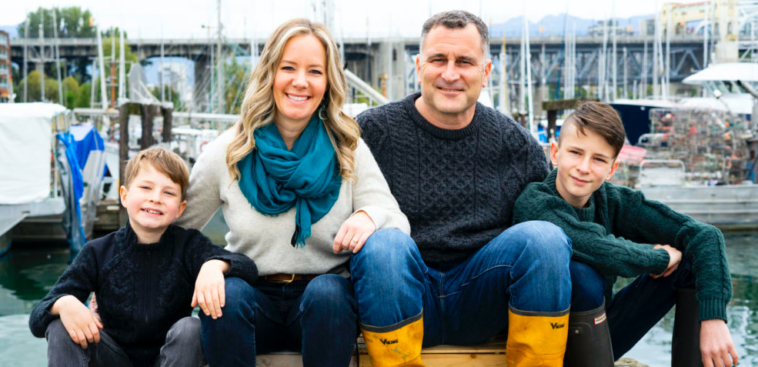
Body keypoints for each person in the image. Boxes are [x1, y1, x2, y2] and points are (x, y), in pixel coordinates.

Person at [174, 18, 410, 367]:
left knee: (328, 291)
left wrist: (367, 215)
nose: (300, 82)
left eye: (315, 71)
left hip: (325, 308)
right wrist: (209, 262)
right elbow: (178, 231)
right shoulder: (228, 151)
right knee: (229, 294)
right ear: (270, 73)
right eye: (288, 68)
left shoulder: (348, 147)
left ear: (328, 81)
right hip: (250, 302)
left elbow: (395, 219)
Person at [352, 10, 573, 367]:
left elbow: (561, 217)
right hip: (399, 291)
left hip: (483, 296)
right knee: (385, 243)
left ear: (485, 73)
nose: (450, 73)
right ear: (419, 66)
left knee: (545, 238)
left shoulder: (516, 144)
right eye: (439, 59)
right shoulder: (371, 132)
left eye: (465, 62)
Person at [513, 101, 737, 367]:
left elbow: (705, 235)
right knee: (583, 274)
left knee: (688, 265)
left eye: (598, 159)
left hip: (598, 336)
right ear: (555, 153)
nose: (584, 167)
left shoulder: (612, 200)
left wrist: (713, 319)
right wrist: (658, 258)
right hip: (540, 345)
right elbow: (596, 246)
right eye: (575, 152)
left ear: (612, 169)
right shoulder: (534, 203)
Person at [28, 147, 258, 367]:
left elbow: (248, 267)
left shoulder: (189, 246)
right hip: (110, 357)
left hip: (170, 358)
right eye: (146, 188)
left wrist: (214, 265)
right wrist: (64, 303)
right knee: (60, 324)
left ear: (180, 208)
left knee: (191, 328)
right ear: (125, 196)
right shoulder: (97, 252)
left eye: (168, 193)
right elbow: (37, 319)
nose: (156, 198)